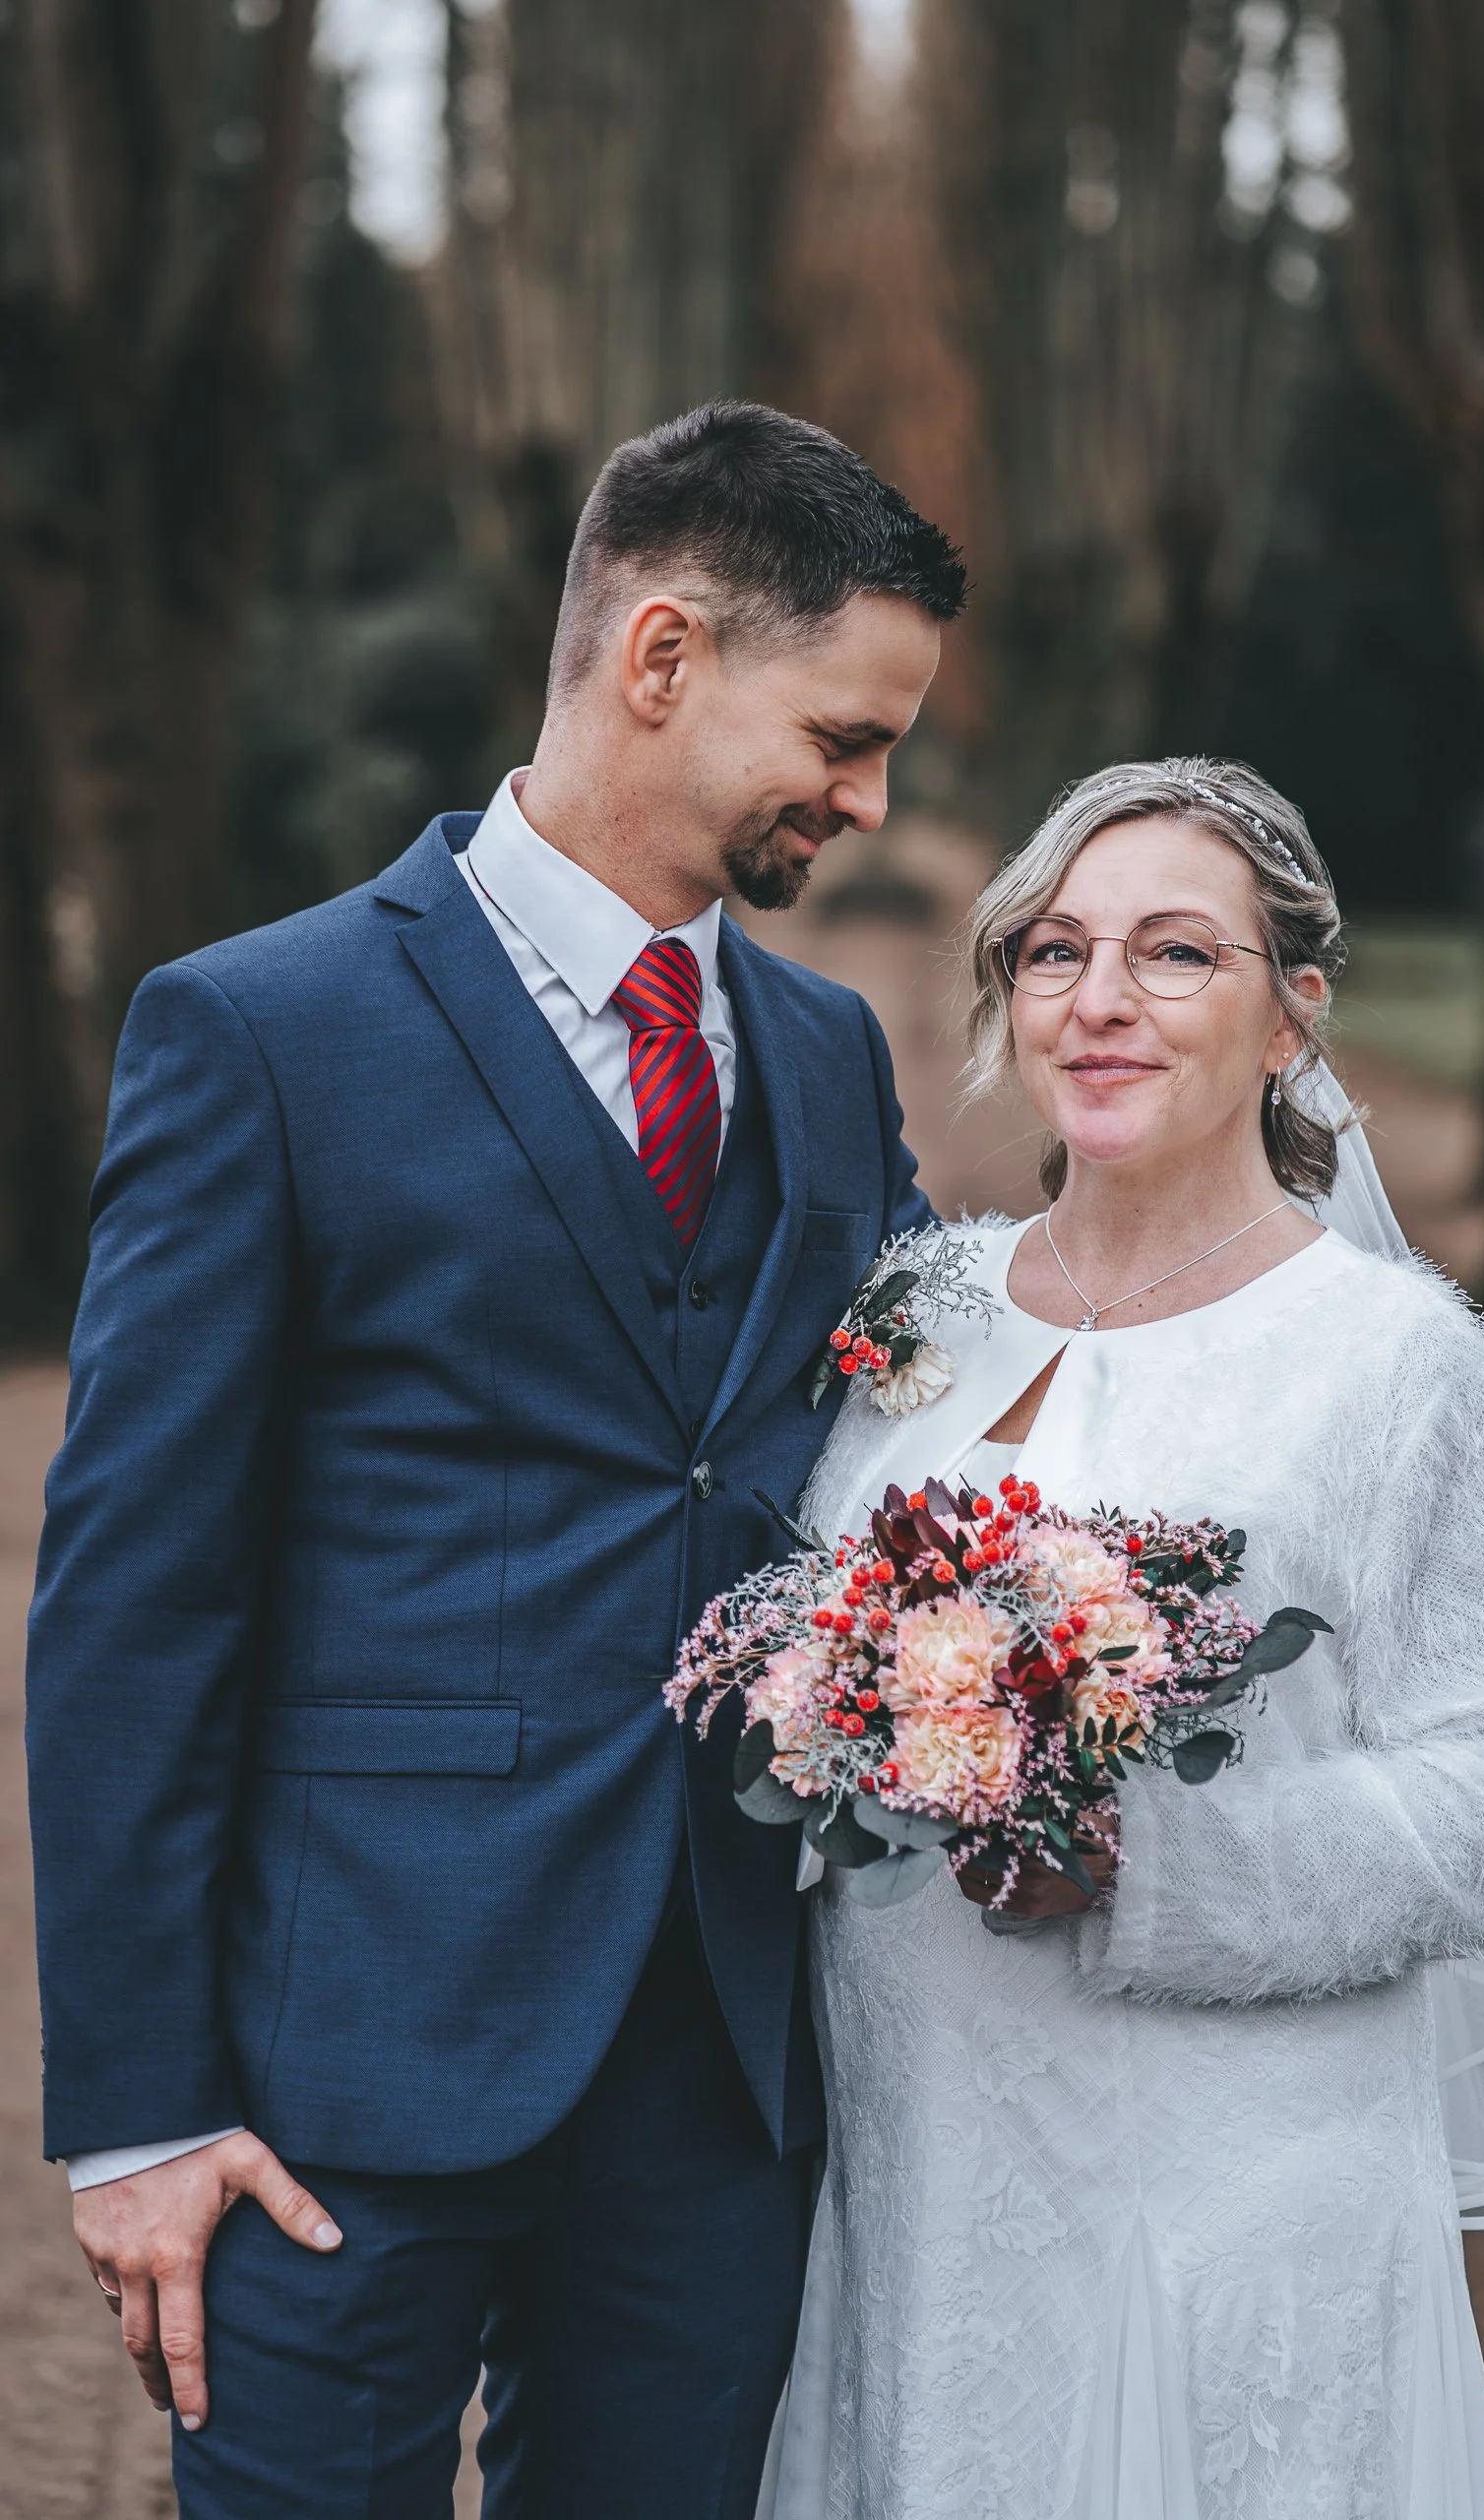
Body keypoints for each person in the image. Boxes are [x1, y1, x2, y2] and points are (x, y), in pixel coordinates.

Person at [26, 402, 965, 2517]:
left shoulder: (826, 1056)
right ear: (661, 656)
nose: (870, 799)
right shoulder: (258, 1030)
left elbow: (914, 1434)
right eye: (843, 735)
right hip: (340, 2063)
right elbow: (134, 1601)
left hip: (719, 2064)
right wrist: (140, 2111)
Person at [764, 758, 1484, 2520]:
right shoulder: (920, 1311)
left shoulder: (1399, 1367)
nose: (1100, 1001)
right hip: (916, 2161)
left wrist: (1157, 1869)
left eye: (1173, 953)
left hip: (1237, 2180)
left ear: (1291, 1013)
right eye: (1054, 951)